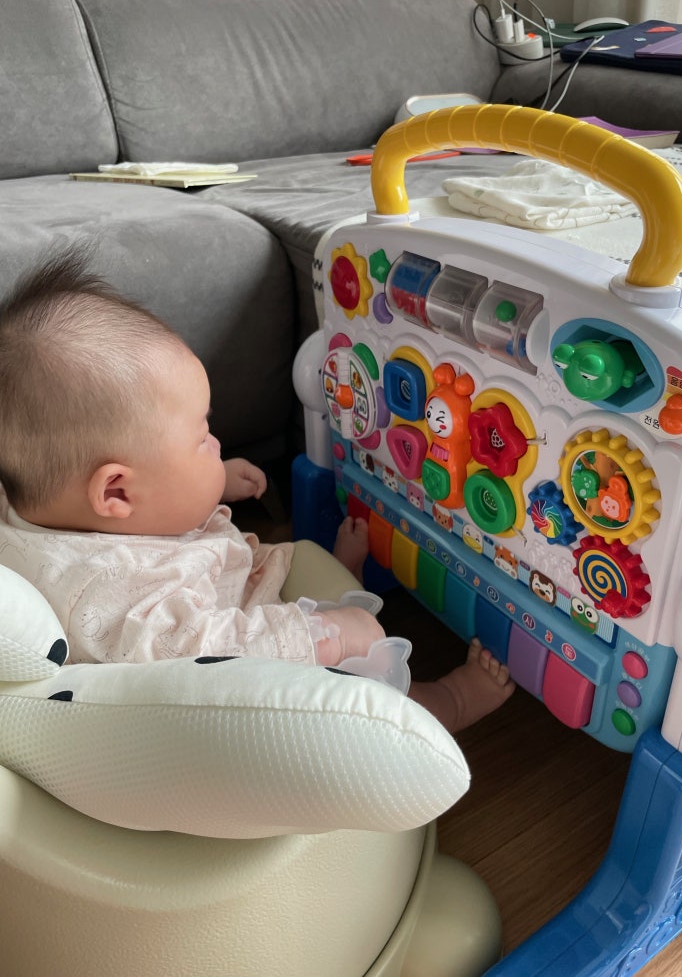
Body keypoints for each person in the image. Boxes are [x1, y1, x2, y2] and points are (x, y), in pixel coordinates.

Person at [0, 250, 514, 734]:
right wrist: (326, 638)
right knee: (363, 682)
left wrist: (214, 476)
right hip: (249, 681)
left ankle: (342, 585)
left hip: (233, 583)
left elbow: (151, 490)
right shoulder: (118, 600)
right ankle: (447, 702)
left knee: (306, 559)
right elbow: (206, 655)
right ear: (116, 492)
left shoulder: (43, 506)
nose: (216, 442)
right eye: (202, 437)